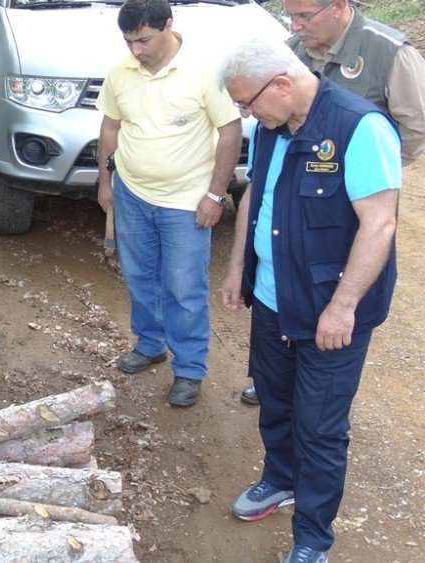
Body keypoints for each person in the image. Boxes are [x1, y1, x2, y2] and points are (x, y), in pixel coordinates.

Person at [218, 38, 400, 562]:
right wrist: (237, 268)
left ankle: (312, 540)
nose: (244, 113)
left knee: (319, 428)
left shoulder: (358, 127)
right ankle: (279, 479)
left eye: (247, 103)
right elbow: (255, 194)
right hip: (274, 302)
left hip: (329, 312)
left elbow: (380, 223)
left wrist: (342, 307)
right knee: (274, 402)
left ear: (281, 84)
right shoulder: (275, 125)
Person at [239, 0, 425, 405]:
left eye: (305, 16)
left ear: (338, 7)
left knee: (337, 292)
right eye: (291, 15)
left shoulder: (388, 51)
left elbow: (415, 122)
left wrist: (373, 176)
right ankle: (283, 379)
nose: (296, 25)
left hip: (354, 194)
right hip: (296, 196)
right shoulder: (292, 51)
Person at [95, 0, 242, 406]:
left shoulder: (203, 70)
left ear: (169, 26)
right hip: (132, 193)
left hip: (185, 201)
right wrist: (106, 182)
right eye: (129, 41)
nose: (136, 50)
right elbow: (110, 124)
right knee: (140, 275)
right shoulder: (121, 71)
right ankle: (151, 342)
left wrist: (215, 194)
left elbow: (230, 131)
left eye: (143, 39)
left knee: (183, 287)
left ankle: (190, 368)